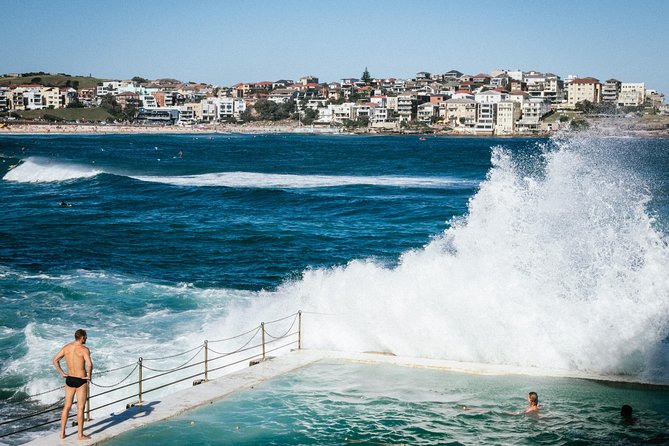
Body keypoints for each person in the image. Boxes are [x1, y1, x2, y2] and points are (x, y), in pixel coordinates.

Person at [53, 329, 93, 440]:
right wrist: (89, 375)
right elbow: (89, 364)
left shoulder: (66, 347)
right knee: (80, 408)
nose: (86, 339)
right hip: (80, 380)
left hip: (69, 379)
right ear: (82, 338)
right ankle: (80, 435)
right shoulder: (84, 349)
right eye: (86, 337)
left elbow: (55, 360)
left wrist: (62, 373)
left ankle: (62, 433)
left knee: (67, 406)